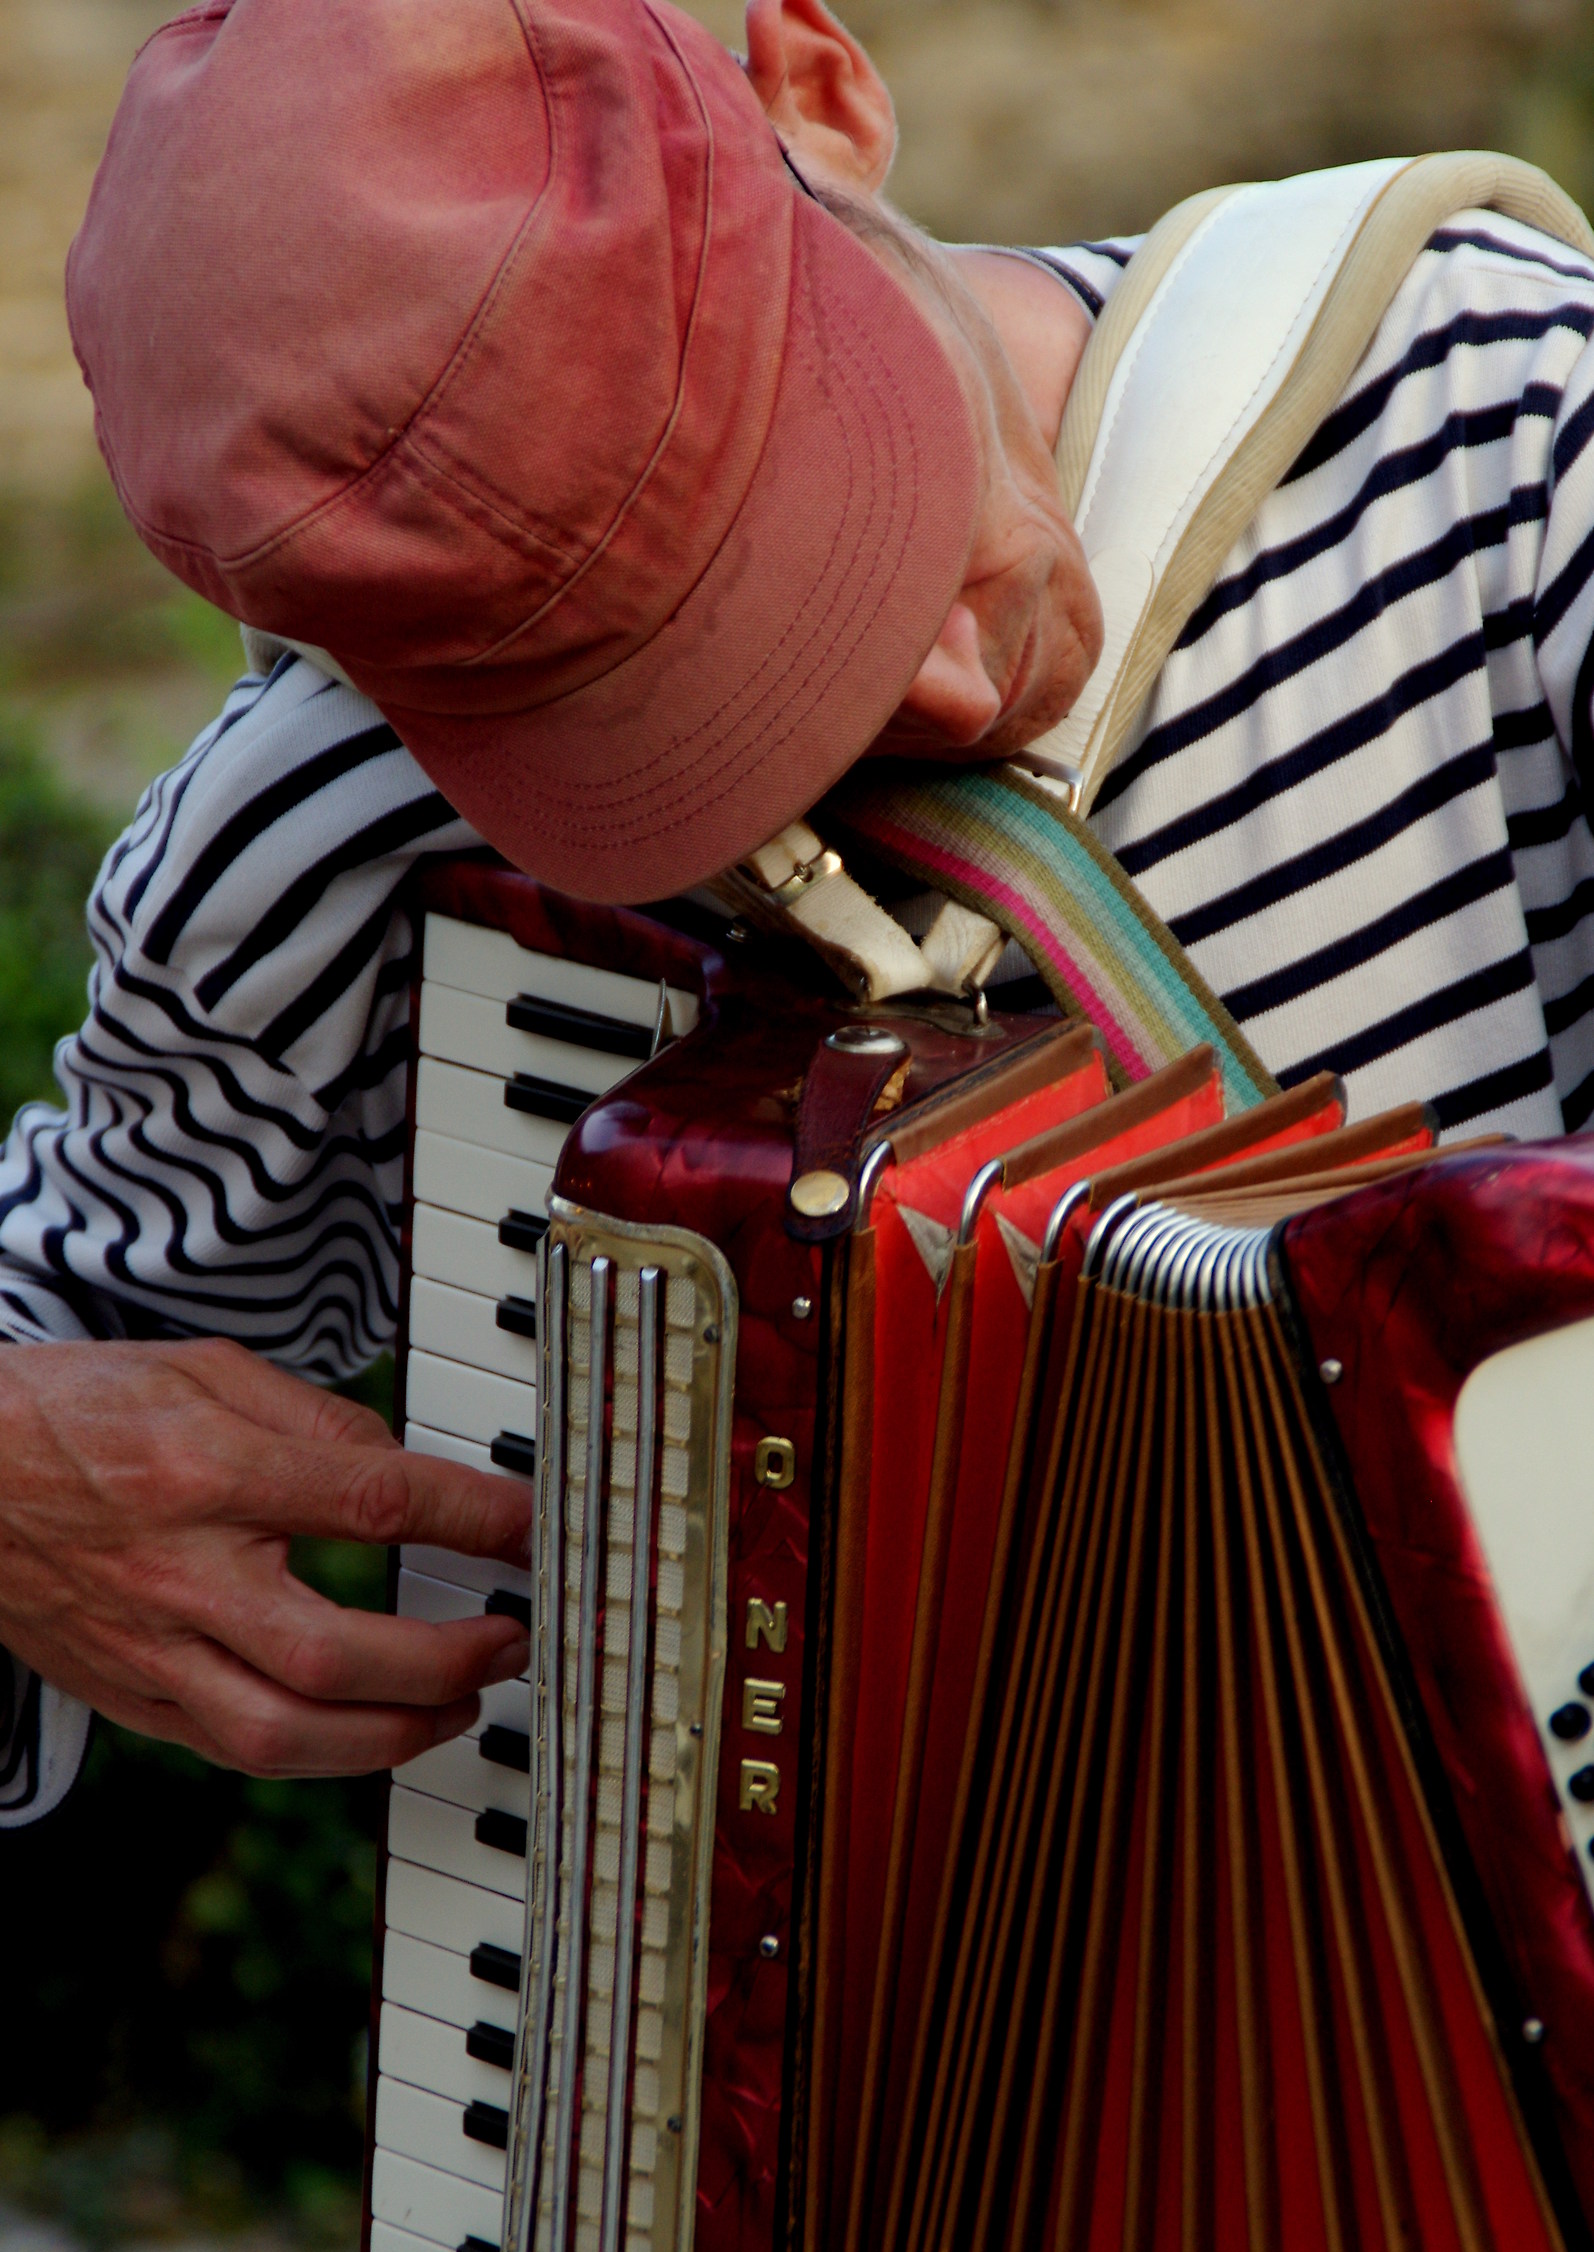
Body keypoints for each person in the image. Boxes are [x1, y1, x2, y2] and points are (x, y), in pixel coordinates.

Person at [5, 0, 1594, 1821]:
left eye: (860, 490)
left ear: (820, 98)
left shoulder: (1514, 454)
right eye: (701, 687)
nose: (952, 685)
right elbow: (69, 1347)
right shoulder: (334, 830)